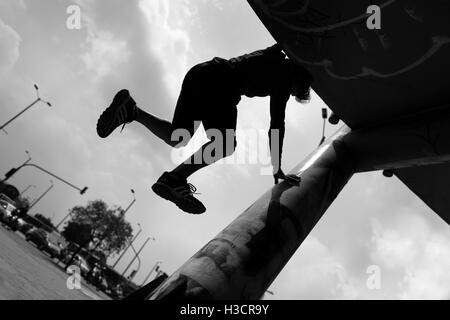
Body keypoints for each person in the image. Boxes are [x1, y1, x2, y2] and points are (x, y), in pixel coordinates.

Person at [96, 44, 313, 215]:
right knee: (225, 145)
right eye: (296, 92)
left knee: (177, 137)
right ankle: (173, 180)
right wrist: (277, 167)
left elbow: (282, 43)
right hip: (222, 84)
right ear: (299, 80)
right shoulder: (286, 77)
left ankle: (132, 111)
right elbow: (277, 124)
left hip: (201, 74)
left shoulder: (274, 53)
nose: (290, 94)